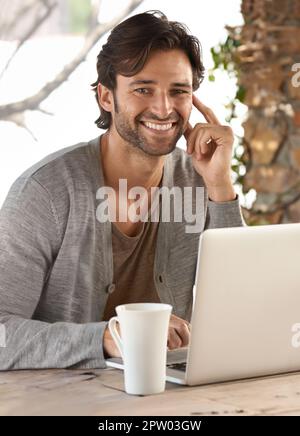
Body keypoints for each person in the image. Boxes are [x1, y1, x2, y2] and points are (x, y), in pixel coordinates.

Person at [0, 10, 244, 370]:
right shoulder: (45, 193)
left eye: (179, 91)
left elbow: (242, 310)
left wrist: (220, 186)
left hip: (171, 399)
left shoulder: (198, 180)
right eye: (143, 89)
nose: (163, 108)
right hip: (58, 401)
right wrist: (105, 337)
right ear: (106, 97)